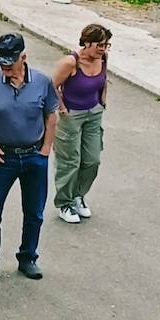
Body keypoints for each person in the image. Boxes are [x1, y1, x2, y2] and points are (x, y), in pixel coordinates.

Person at [0, 33, 58, 282]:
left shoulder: (42, 81)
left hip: (34, 156)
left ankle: (28, 257)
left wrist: (45, 150)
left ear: (24, 57)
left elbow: (51, 115)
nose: (5, 68)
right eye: (1, 63)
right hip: (1, 157)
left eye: (10, 63)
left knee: (34, 213)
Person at [52, 23, 111, 224]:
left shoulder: (103, 59)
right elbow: (52, 86)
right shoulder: (71, 62)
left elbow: (104, 80)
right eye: (99, 44)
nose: (103, 49)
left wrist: (103, 102)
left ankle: (78, 195)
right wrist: (62, 108)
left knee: (92, 159)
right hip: (72, 115)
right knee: (70, 161)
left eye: (106, 45)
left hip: (93, 113)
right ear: (86, 43)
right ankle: (64, 203)